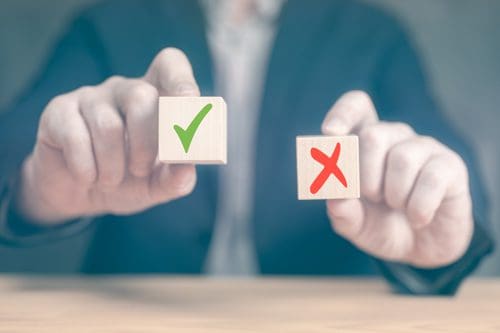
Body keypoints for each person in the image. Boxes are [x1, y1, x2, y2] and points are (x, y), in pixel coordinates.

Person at [0, 0, 493, 294]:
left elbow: (454, 176)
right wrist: (40, 189)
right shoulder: (108, 23)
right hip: (138, 311)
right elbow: (14, 151)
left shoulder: (371, 33)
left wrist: (439, 223)